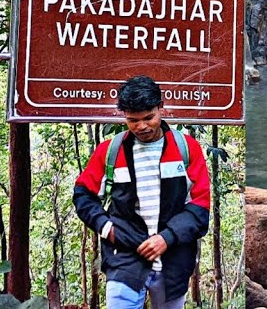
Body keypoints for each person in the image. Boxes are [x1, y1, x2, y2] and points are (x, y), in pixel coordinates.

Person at [73, 75, 211, 309]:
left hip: (173, 261)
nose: (142, 127)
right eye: (133, 120)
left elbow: (200, 206)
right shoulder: (110, 151)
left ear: (161, 108)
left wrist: (166, 238)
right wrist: (108, 229)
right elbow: (83, 194)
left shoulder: (186, 148)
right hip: (125, 257)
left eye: (149, 117)